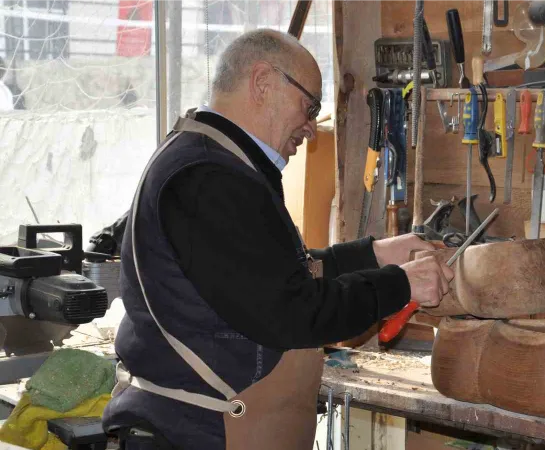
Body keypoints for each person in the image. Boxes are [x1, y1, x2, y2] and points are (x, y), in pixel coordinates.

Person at [102, 29, 454, 450]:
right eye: (309, 107)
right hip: (193, 434)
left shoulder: (213, 161)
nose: (310, 128)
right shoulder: (209, 179)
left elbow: (272, 273)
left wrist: (375, 255)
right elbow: (290, 313)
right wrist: (400, 283)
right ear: (263, 82)